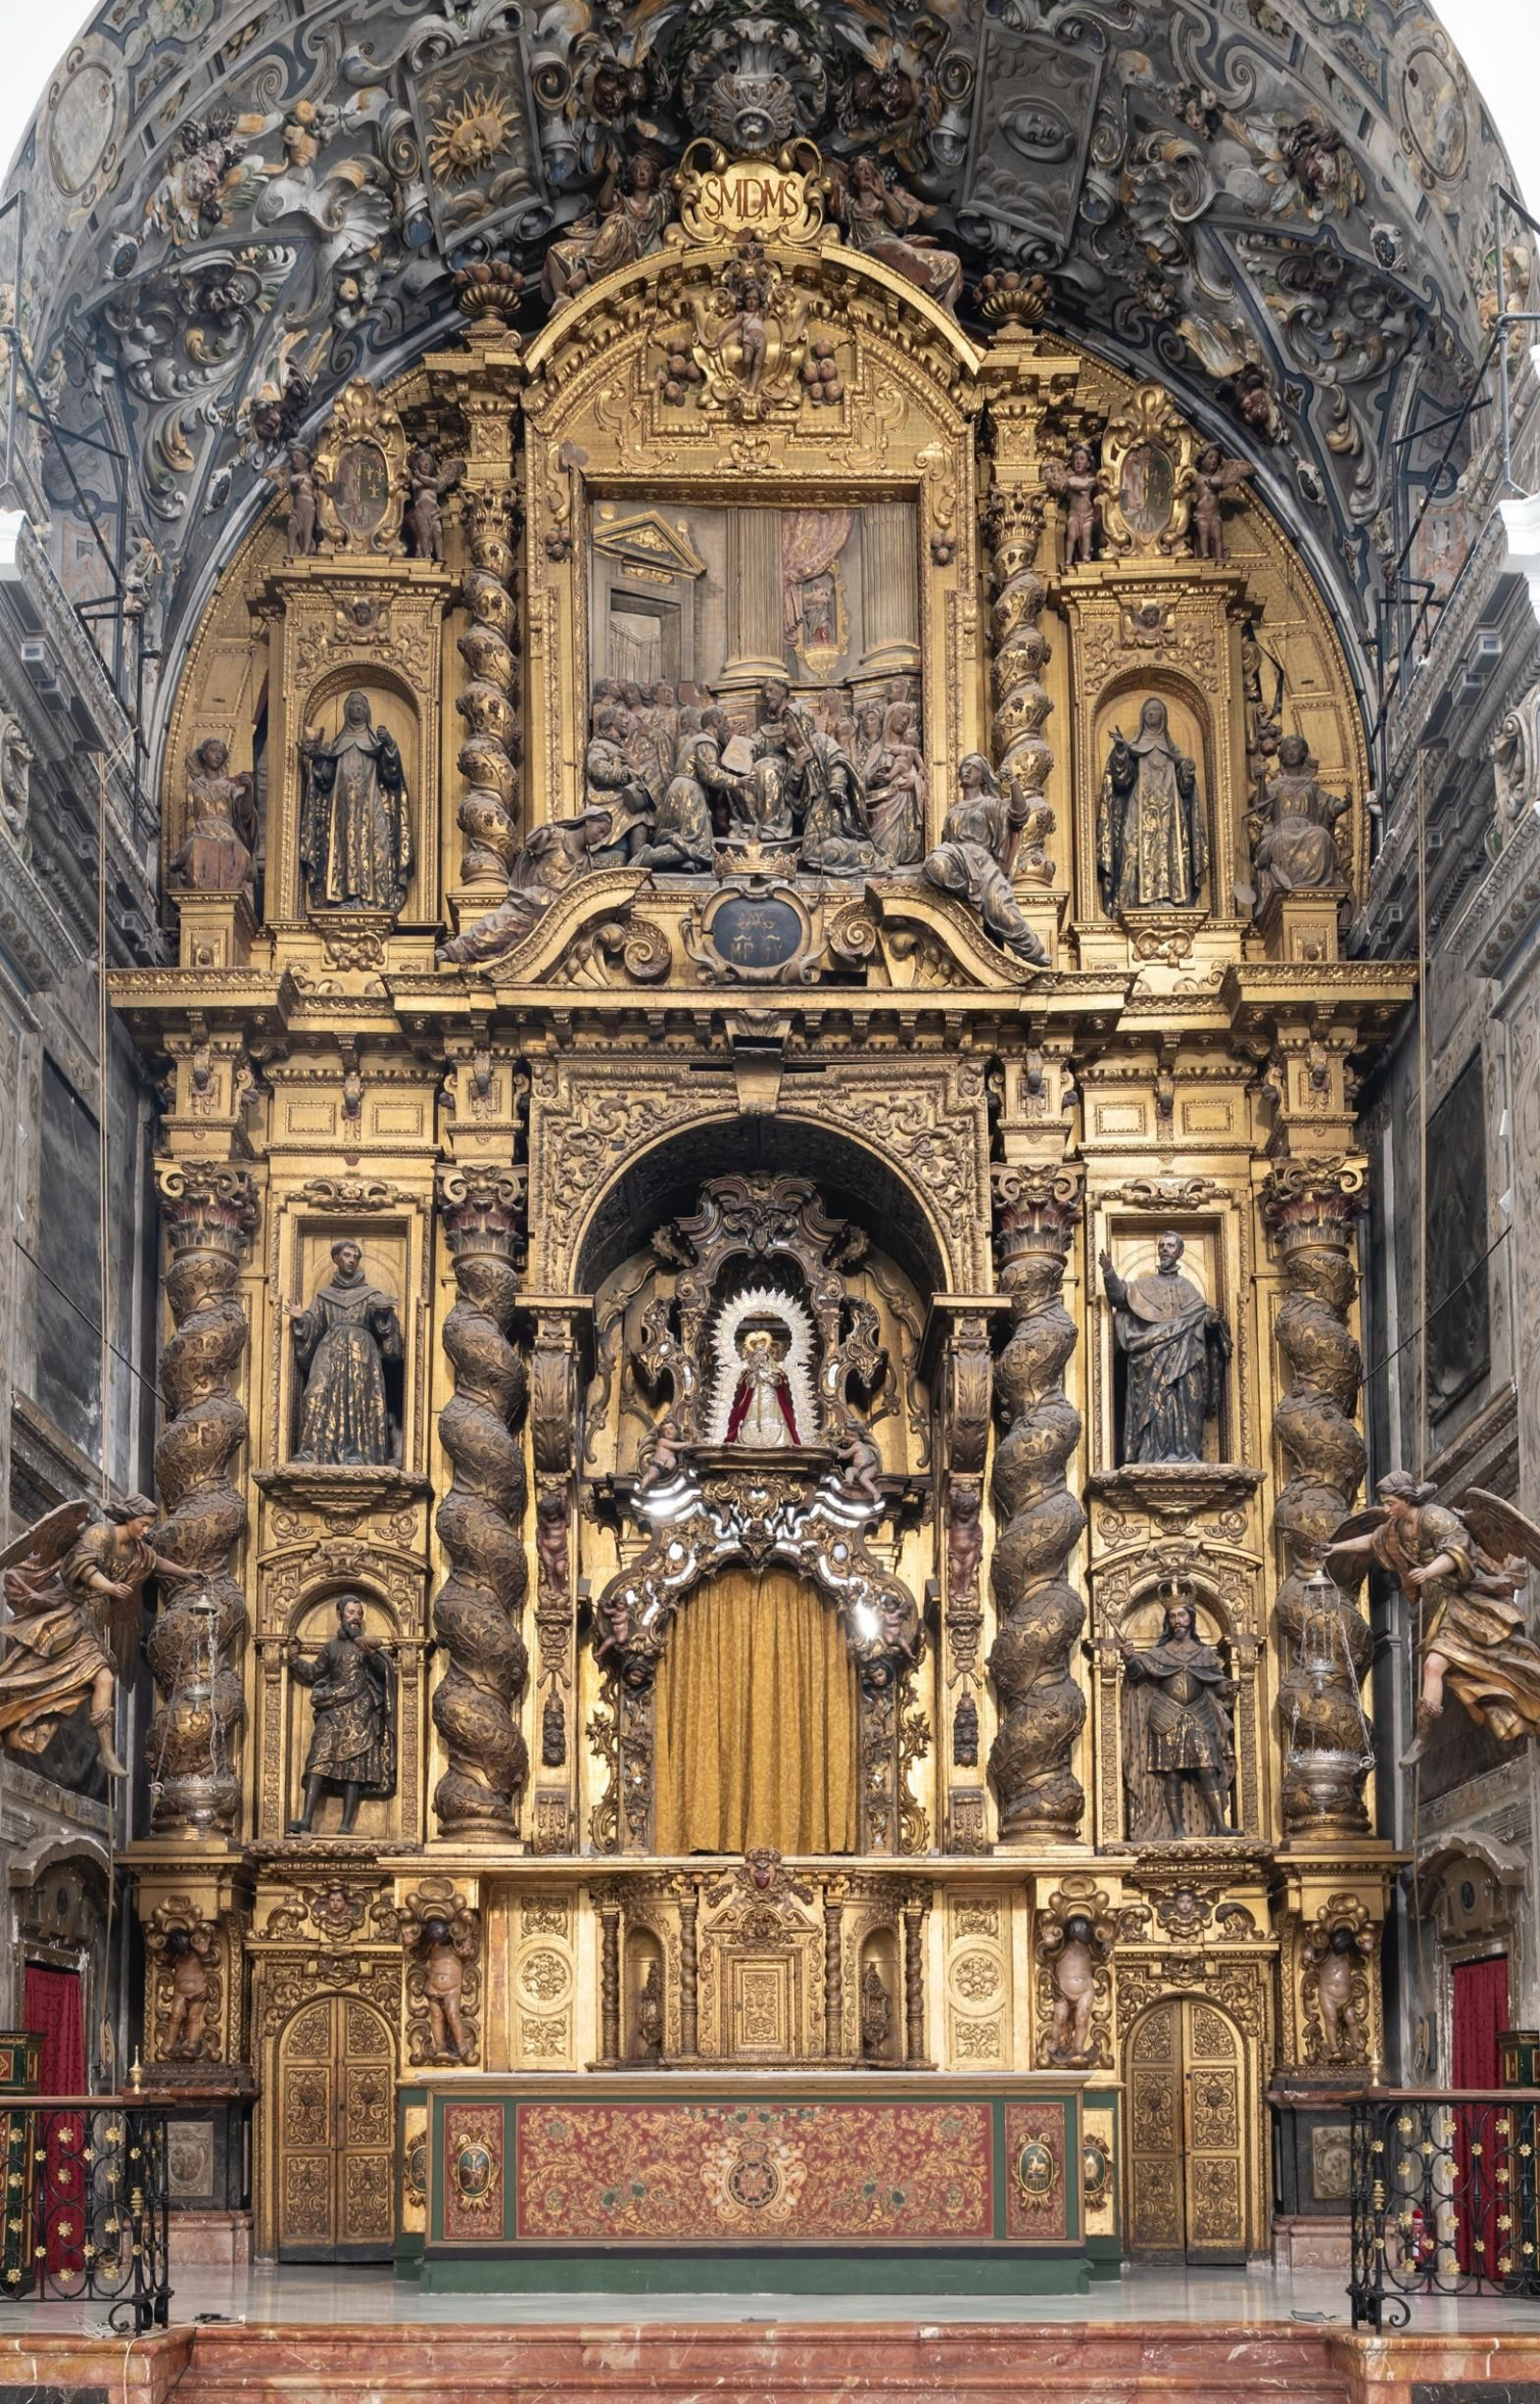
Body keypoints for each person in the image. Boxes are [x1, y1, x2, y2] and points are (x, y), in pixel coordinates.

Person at [1326, 1474, 1540, 1764]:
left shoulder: (1435, 1517)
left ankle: (1423, 1738)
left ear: (1406, 1498)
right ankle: (1503, 1712)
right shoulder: (1395, 1530)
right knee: (1461, 1670)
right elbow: (1373, 1541)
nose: (1387, 1509)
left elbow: (1458, 1552)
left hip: (1466, 1602)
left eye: (1391, 1503)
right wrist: (1336, 1548)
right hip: (1441, 1609)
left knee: (1445, 1664)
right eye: (1385, 1504)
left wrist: (1428, 1572)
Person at [0, 1495, 197, 1776]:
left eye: (149, 1526)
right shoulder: (100, 1533)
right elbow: (83, 1566)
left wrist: (187, 1574)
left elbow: (156, 1563)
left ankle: (105, 1754)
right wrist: (110, 1587)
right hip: (69, 1617)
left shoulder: (138, 1551)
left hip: (91, 1627)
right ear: (129, 1517)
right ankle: (10, 1708)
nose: (146, 1530)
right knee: (33, 1672)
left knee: (100, 1679)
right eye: (143, 1524)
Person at [1098, 1230, 1229, 1463]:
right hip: (1152, 1365)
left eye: (1170, 1246)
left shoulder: (1189, 1288)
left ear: (1179, 1252)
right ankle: (1152, 1455)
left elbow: (1200, 1316)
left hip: (1187, 1362)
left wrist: (1211, 1321)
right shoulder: (1144, 1286)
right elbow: (1120, 1298)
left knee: (1189, 1403)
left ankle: (1187, 1453)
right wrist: (1109, 1272)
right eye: (1162, 1245)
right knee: (1157, 1408)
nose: (1165, 1249)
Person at [1117, 1596, 1236, 1837]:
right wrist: (1130, 1660)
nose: (1177, 1621)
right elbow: (1137, 1674)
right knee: (1172, 1775)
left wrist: (1227, 1688)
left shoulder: (1204, 1654)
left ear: (1191, 1618)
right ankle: (1178, 1829)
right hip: (1166, 1715)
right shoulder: (1159, 1653)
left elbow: (1215, 1681)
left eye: (1181, 1615)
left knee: (1208, 1770)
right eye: (1172, 1617)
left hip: (1199, 1714)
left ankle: (1221, 1826)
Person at [923, 753, 1049, 966]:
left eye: (972, 767)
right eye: (964, 766)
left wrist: (1013, 782)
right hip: (955, 856)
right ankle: (971, 892)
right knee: (933, 865)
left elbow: (1019, 813)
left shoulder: (991, 805)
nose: (966, 770)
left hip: (981, 862)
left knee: (1003, 909)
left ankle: (1034, 950)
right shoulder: (952, 813)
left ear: (982, 777)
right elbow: (946, 843)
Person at [286, 1592, 396, 1834]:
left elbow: (384, 1672)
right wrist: (295, 1661)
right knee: (318, 1756)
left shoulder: (367, 1646)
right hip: (333, 1709)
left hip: (361, 1712)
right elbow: (316, 1672)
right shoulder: (331, 1647)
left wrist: (371, 1654)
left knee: (353, 1769)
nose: (355, 1618)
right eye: (351, 1613)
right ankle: (306, 1819)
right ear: (340, 1615)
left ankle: (345, 1825)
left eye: (359, 1614)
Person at [287, 1238, 403, 1465]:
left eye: (355, 1256)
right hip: (329, 1350)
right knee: (315, 1394)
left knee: (358, 1399)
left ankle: (358, 1454)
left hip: (361, 1352)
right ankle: (311, 1451)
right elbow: (315, 1327)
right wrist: (303, 1319)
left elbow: (390, 1342)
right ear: (336, 1259)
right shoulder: (324, 1297)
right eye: (347, 1255)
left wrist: (383, 1317)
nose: (351, 1260)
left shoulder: (371, 1295)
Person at [298, 690, 411, 913]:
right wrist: (319, 760)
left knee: (371, 846)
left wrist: (389, 746)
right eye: (353, 704)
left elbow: (391, 776)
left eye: (361, 705)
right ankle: (344, 898)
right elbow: (325, 780)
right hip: (342, 809)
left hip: (370, 806)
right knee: (343, 847)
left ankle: (371, 899)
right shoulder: (337, 746)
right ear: (346, 711)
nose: (357, 708)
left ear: (367, 711)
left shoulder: (375, 743)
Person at [1096, 698, 1205, 913]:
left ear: (1163, 717)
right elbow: (1121, 779)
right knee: (1131, 845)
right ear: (1143, 717)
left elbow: (1185, 790)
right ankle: (1132, 899)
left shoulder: (1173, 753)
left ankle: (1170, 899)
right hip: (1139, 808)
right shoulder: (1134, 749)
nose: (1152, 714)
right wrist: (1120, 750)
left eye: (1156, 710)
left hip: (1169, 811)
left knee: (1169, 849)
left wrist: (1187, 774)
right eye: (1148, 711)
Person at [171, 737, 257, 895]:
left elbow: (245, 812)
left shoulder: (229, 788)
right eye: (214, 751)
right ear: (204, 755)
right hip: (202, 831)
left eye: (221, 754)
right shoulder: (194, 787)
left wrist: (249, 790)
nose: (218, 756)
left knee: (240, 856)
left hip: (226, 833)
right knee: (197, 847)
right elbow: (189, 819)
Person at [725, 1327, 800, 1446]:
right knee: (750, 1413)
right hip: (754, 1398)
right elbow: (746, 1386)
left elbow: (779, 1382)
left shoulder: (774, 1369)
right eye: (758, 1353)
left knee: (772, 1413)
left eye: (763, 1353)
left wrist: (768, 1377)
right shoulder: (749, 1371)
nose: (760, 1355)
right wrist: (754, 1376)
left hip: (770, 1396)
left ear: (766, 1355)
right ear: (754, 1356)